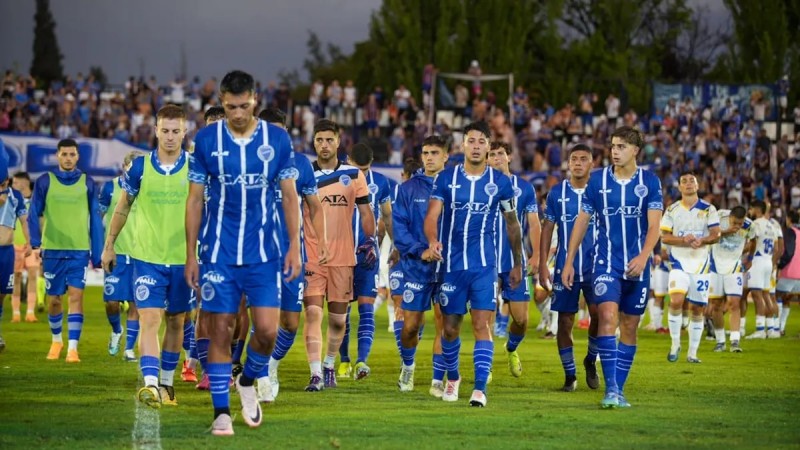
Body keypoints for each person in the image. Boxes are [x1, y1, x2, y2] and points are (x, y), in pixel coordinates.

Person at [186, 70, 301, 435]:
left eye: (244, 105)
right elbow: (193, 201)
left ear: (255, 100)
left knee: (267, 331)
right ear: (222, 102)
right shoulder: (205, 141)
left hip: (265, 253)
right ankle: (221, 412)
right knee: (221, 328)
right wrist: (192, 253)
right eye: (230, 106)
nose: (237, 113)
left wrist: (295, 245)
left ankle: (248, 380)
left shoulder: (278, 140)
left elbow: (289, 195)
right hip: (219, 253)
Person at [423, 121, 524, 407]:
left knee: (482, 324)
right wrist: (432, 240)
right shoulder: (446, 179)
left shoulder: (500, 183)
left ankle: (479, 389)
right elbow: (432, 216)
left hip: (484, 266)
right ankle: (453, 378)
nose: (477, 146)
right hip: (451, 266)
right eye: (472, 140)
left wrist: (517, 263)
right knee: (450, 329)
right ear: (463, 145)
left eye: (482, 141)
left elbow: (512, 224)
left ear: (489, 146)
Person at [561, 126, 663, 409]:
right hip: (605, 263)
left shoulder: (650, 182)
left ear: (635, 151)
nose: (614, 151)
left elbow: (655, 225)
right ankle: (612, 389)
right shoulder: (598, 182)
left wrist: (644, 256)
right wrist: (569, 261)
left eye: (621, 147)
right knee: (607, 318)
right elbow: (582, 221)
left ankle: (620, 389)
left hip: (637, 264)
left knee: (630, 327)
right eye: (613, 146)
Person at [102, 105, 194, 409]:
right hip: (147, 260)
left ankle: (167, 383)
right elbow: (123, 207)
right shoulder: (140, 168)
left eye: (175, 131)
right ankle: (152, 384)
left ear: (184, 132)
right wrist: (109, 244)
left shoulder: (195, 168)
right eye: (164, 130)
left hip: (183, 260)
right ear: (155, 130)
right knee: (150, 318)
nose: (169, 137)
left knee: (176, 321)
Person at [255, 106, 328, 403]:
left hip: (291, 254)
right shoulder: (249, 162)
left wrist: (321, 241)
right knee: (263, 321)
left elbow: (314, 206)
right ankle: (257, 373)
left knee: (290, 323)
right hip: (257, 255)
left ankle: (270, 366)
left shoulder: (300, 164)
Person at [301, 119, 376, 391]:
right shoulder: (304, 174)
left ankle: (329, 364)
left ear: (338, 141)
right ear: (314, 142)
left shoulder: (355, 176)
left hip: (343, 257)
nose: (324, 145)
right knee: (312, 313)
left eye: (329, 140)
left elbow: (367, 214)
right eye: (319, 140)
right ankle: (314, 374)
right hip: (312, 256)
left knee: (337, 320)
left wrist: (371, 240)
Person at [29, 138, 104, 363]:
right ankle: (56, 340)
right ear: (57, 156)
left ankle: (73, 348)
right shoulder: (45, 181)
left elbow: (96, 220)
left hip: (79, 250)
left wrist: (97, 253)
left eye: (72, 154)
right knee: (53, 300)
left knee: (76, 296)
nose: (68, 158)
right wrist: (35, 243)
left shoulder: (88, 183)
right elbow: (34, 213)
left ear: (78, 157)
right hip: (52, 249)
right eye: (64, 154)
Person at [540, 143, 600, 391]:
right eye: (573, 158)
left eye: (583, 159)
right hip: (566, 267)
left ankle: (591, 359)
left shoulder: (601, 192)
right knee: (565, 321)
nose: (577, 163)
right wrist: (543, 263)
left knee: (599, 316)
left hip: (597, 266)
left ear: (591, 164)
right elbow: (547, 229)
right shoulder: (556, 193)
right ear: (568, 163)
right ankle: (570, 375)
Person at [394, 136, 449, 396]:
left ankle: (437, 380)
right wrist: (421, 251)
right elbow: (399, 228)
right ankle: (408, 365)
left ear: (446, 156)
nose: (429, 157)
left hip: (447, 267)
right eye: (425, 152)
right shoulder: (407, 189)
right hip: (416, 266)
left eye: (435, 153)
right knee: (410, 327)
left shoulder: (455, 186)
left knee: (444, 323)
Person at [338, 142, 393, 380]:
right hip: (339, 255)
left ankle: (361, 361)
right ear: (348, 160)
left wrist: (396, 245)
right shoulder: (336, 179)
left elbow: (388, 216)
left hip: (366, 257)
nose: (360, 174)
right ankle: (343, 361)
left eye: (365, 169)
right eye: (356, 168)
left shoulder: (380, 182)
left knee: (366, 309)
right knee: (341, 312)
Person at [487, 141, 540, 378]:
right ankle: (484, 367)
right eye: (492, 155)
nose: (496, 158)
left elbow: (535, 223)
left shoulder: (525, 188)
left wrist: (537, 253)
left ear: (509, 157)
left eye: (500, 154)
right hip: (485, 262)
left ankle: (511, 348)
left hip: (514, 262)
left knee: (521, 320)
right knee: (484, 317)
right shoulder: (481, 186)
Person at [661, 172, 720, 363]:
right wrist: (683, 240)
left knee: (697, 309)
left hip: (701, 266)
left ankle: (692, 353)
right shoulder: (671, 210)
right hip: (678, 263)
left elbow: (716, 234)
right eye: (684, 181)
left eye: (691, 181)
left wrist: (702, 240)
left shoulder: (709, 209)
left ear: (697, 185)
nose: (688, 184)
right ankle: (675, 343)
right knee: (676, 301)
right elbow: (665, 237)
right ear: (679, 187)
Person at [98, 151, 145, 361]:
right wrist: (103, 246)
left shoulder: (146, 187)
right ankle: (117, 330)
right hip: (117, 253)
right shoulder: (110, 188)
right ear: (125, 166)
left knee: (137, 304)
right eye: (131, 166)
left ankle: (129, 348)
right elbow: (98, 218)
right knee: (112, 302)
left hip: (140, 253)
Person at [192, 105, 226, 391]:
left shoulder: (243, 158)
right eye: (211, 124)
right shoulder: (195, 162)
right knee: (204, 308)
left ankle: (229, 364)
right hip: (205, 246)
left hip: (236, 247)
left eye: (220, 123)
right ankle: (207, 369)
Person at [708, 206, 751, 353]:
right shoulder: (719, 217)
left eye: (740, 223)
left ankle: (734, 341)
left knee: (734, 303)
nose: (738, 226)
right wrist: (726, 232)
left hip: (734, 267)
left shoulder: (750, 225)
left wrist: (749, 258)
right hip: (715, 265)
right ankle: (720, 341)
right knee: (716, 304)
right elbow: (710, 235)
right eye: (735, 223)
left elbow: (753, 240)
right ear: (730, 217)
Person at [743, 200, 781, 339]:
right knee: (767, 295)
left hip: (757, 261)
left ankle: (760, 330)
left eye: (751, 209)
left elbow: (751, 244)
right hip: (768, 261)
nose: (750, 212)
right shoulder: (772, 225)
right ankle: (771, 329)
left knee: (757, 295)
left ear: (756, 209)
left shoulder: (756, 224)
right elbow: (776, 248)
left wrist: (740, 252)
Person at [0, 176, 31, 350]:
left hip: (6, 251)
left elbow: (24, 220)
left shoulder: (15, 196)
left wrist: (29, 241)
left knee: (3, 292)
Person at [10, 172, 38, 323]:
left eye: (15, 183)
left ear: (24, 183)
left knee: (33, 276)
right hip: (14, 243)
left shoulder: (37, 200)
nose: (13, 186)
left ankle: (30, 312)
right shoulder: (11, 200)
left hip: (33, 245)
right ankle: (15, 313)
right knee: (16, 278)